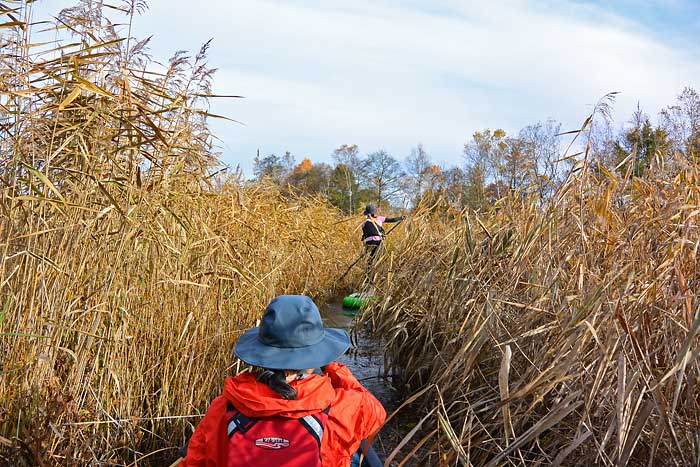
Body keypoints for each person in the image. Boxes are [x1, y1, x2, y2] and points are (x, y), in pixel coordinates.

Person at [180, 295, 386, 467]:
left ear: (261, 352)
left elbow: (194, 461)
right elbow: (376, 413)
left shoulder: (225, 406)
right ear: (315, 356)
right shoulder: (339, 407)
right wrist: (331, 366)